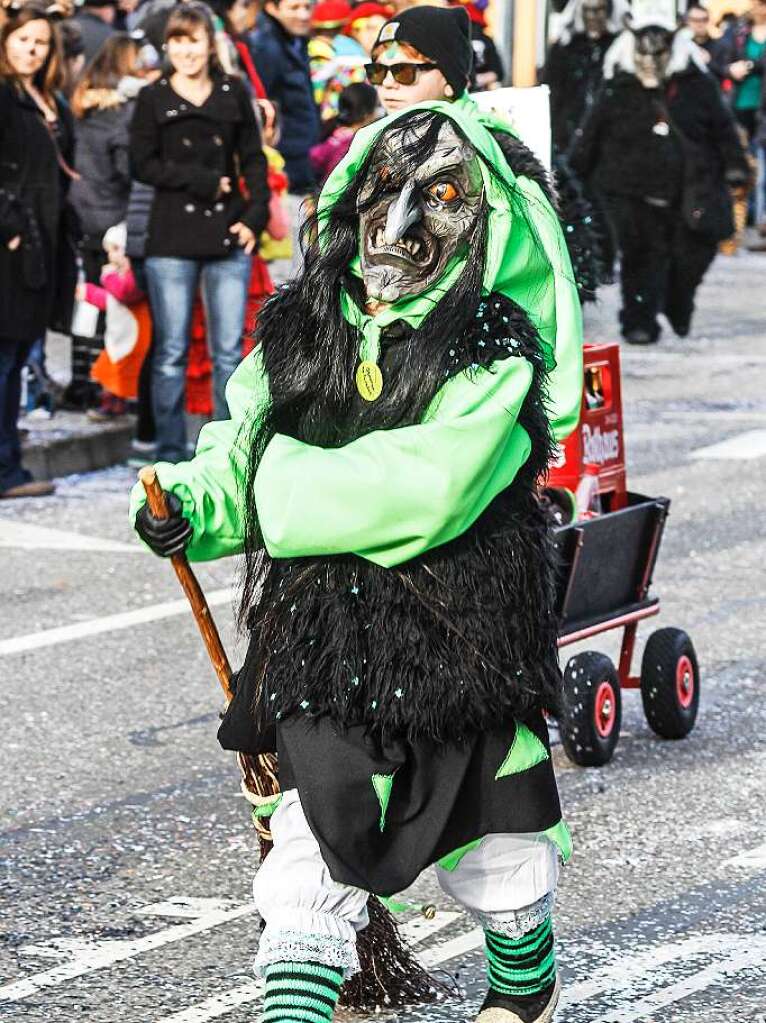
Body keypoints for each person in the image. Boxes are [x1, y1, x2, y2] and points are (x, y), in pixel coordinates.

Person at [131, 91, 583, 1023]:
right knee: (308, 845)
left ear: (485, 221)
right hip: (325, 639)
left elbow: (429, 485)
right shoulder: (298, 330)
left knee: (495, 853)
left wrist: (269, 490)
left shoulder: (493, 348)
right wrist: (195, 502)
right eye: (385, 188)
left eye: (445, 195)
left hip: (456, 638)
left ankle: (524, 977)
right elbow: (238, 445)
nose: (405, 220)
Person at [129, 1, 269, 462]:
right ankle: (168, 454)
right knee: (170, 352)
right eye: (179, 41)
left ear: (211, 44)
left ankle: (224, 454)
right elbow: (141, 164)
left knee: (229, 352)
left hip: (227, 233)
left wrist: (255, 217)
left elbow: (254, 159)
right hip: (171, 236)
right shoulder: (154, 97)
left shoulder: (232, 91)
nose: (188, 51)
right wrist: (203, 180)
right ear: (167, 47)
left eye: (196, 40)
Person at [570, 18, 749, 343]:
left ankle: (678, 301)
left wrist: (736, 165)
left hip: (688, 189)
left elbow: (723, 129)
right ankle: (639, 320)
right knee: (640, 256)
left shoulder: (696, 85)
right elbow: (591, 133)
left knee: (690, 253)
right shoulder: (618, 87)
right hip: (628, 189)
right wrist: (571, 173)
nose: (652, 61)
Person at [0, 2, 78, 498]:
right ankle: (5, 469)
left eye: (41, 42)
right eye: (24, 39)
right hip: (11, 242)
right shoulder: (4, 96)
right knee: (4, 359)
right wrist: (7, 224)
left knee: (18, 356)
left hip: (42, 245)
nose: (32, 49)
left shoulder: (48, 99)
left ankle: (8, 464)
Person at [76, 221, 151, 419]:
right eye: (110, 250)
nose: (112, 255)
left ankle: (120, 403)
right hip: (121, 335)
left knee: (123, 370)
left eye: (117, 249)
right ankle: (114, 402)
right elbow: (112, 300)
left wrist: (105, 279)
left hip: (133, 336)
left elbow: (123, 294)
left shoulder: (132, 276)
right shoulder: (122, 274)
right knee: (112, 370)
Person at [249, 0, 319, 194]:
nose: (304, 15)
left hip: (304, 157)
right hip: (285, 162)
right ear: (272, 8)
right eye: (294, 8)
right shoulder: (267, 47)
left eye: (308, 7)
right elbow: (261, 102)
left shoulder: (296, 39)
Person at [309, 80, 380, 181]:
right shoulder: (355, 144)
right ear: (366, 114)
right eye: (377, 106)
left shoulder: (330, 128)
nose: (379, 112)